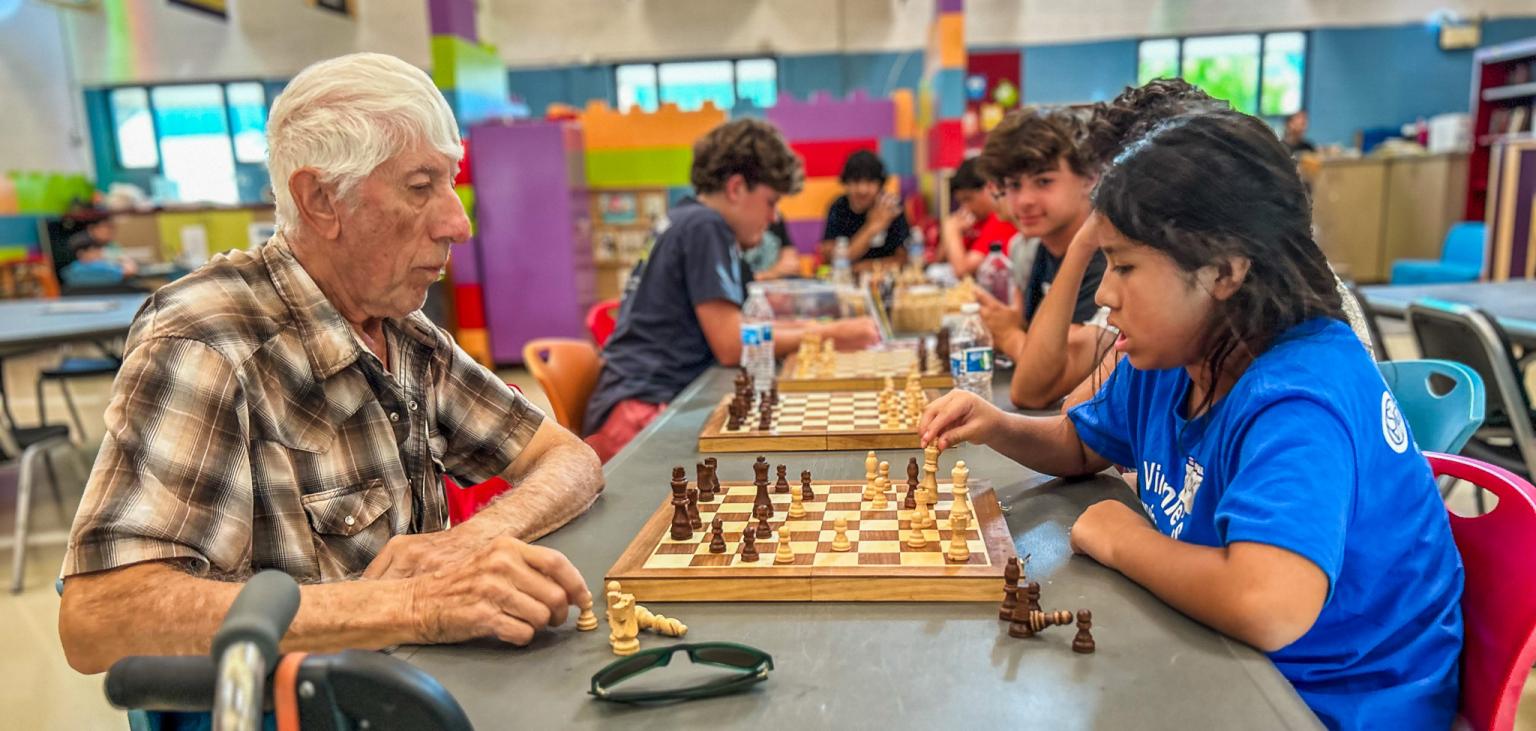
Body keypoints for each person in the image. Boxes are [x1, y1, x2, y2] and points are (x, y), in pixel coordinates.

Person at [58, 53, 606, 675]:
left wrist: (466, 544)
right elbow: (99, 618)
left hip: (417, 684)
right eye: (420, 187)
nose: (457, 223)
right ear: (320, 200)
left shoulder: (396, 325)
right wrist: (413, 604)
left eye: (449, 184)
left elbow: (568, 458)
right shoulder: (206, 342)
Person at [920, 110, 1462, 730]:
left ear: (1225, 271)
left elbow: (1268, 604)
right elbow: (1079, 444)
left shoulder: (1299, 395)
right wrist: (998, 423)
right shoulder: (1177, 355)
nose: (1104, 294)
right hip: (1238, 662)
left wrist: (1124, 539)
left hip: (1335, 700)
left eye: (1124, 267)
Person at [584, 119, 879, 462]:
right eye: (770, 202)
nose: (772, 218)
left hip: (645, 398)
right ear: (737, 187)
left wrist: (816, 331)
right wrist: (827, 333)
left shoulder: (690, 218)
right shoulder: (705, 227)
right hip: (641, 414)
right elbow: (731, 344)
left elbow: (743, 324)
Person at [973, 107, 1109, 409]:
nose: (1024, 201)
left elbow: (1041, 381)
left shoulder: (1111, 261)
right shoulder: (1029, 249)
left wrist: (1008, 335)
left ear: (1089, 177)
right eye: (1013, 186)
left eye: (1044, 181)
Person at [818, 150, 909, 263]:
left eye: (870, 182)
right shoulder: (839, 207)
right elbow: (833, 259)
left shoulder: (891, 206)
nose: (862, 190)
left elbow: (904, 258)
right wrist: (873, 227)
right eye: (856, 181)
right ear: (846, 183)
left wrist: (863, 267)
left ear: (880, 184)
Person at [938, 157, 1018, 278]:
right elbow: (939, 259)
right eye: (961, 202)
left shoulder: (1001, 220)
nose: (965, 207)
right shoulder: (972, 221)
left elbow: (962, 271)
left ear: (989, 188)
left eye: (968, 199)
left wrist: (951, 230)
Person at [60, 211, 138, 287]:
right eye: (107, 227)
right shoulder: (80, 242)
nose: (111, 231)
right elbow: (128, 271)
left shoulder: (111, 245)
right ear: (92, 228)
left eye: (112, 227)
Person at [741, 213, 801, 280]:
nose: (774, 218)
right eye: (770, 204)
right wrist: (770, 274)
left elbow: (792, 264)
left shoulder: (775, 217)